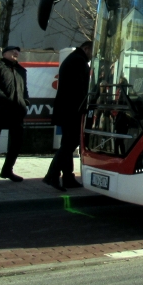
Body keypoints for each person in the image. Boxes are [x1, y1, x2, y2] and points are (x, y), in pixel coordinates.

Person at [44, 41, 92, 191]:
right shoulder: (79, 60)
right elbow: (80, 88)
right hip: (72, 110)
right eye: (92, 51)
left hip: (67, 109)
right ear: (86, 49)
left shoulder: (74, 58)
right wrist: (86, 105)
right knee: (70, 144)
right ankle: (52, 175)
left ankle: (67, 177)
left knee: (68, 143)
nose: (93, 55)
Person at [0, 45, 30, 188]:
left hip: (16, 111)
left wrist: (25, 101)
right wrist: (4, 98)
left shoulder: (21, 70)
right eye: (13, 51)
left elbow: (24, 89)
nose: (16, 53)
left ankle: (7, 170)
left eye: (18, 52)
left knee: (16, 143)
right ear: (4, 54)